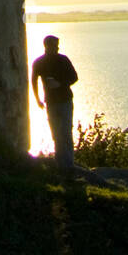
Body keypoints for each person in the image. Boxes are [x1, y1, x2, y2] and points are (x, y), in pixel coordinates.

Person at [31, 35, 78, 168]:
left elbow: (74, 77)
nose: (57, 47)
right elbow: (33, 80)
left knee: (66, 132)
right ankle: (61, 164)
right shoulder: (39, 62)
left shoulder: (63, 60)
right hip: (51, 102)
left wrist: (60, 84)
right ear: (47, 46)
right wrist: (37, 99)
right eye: (54, 45)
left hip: (65, 100)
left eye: (57, 45)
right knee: (56, 133)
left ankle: (69, 165)